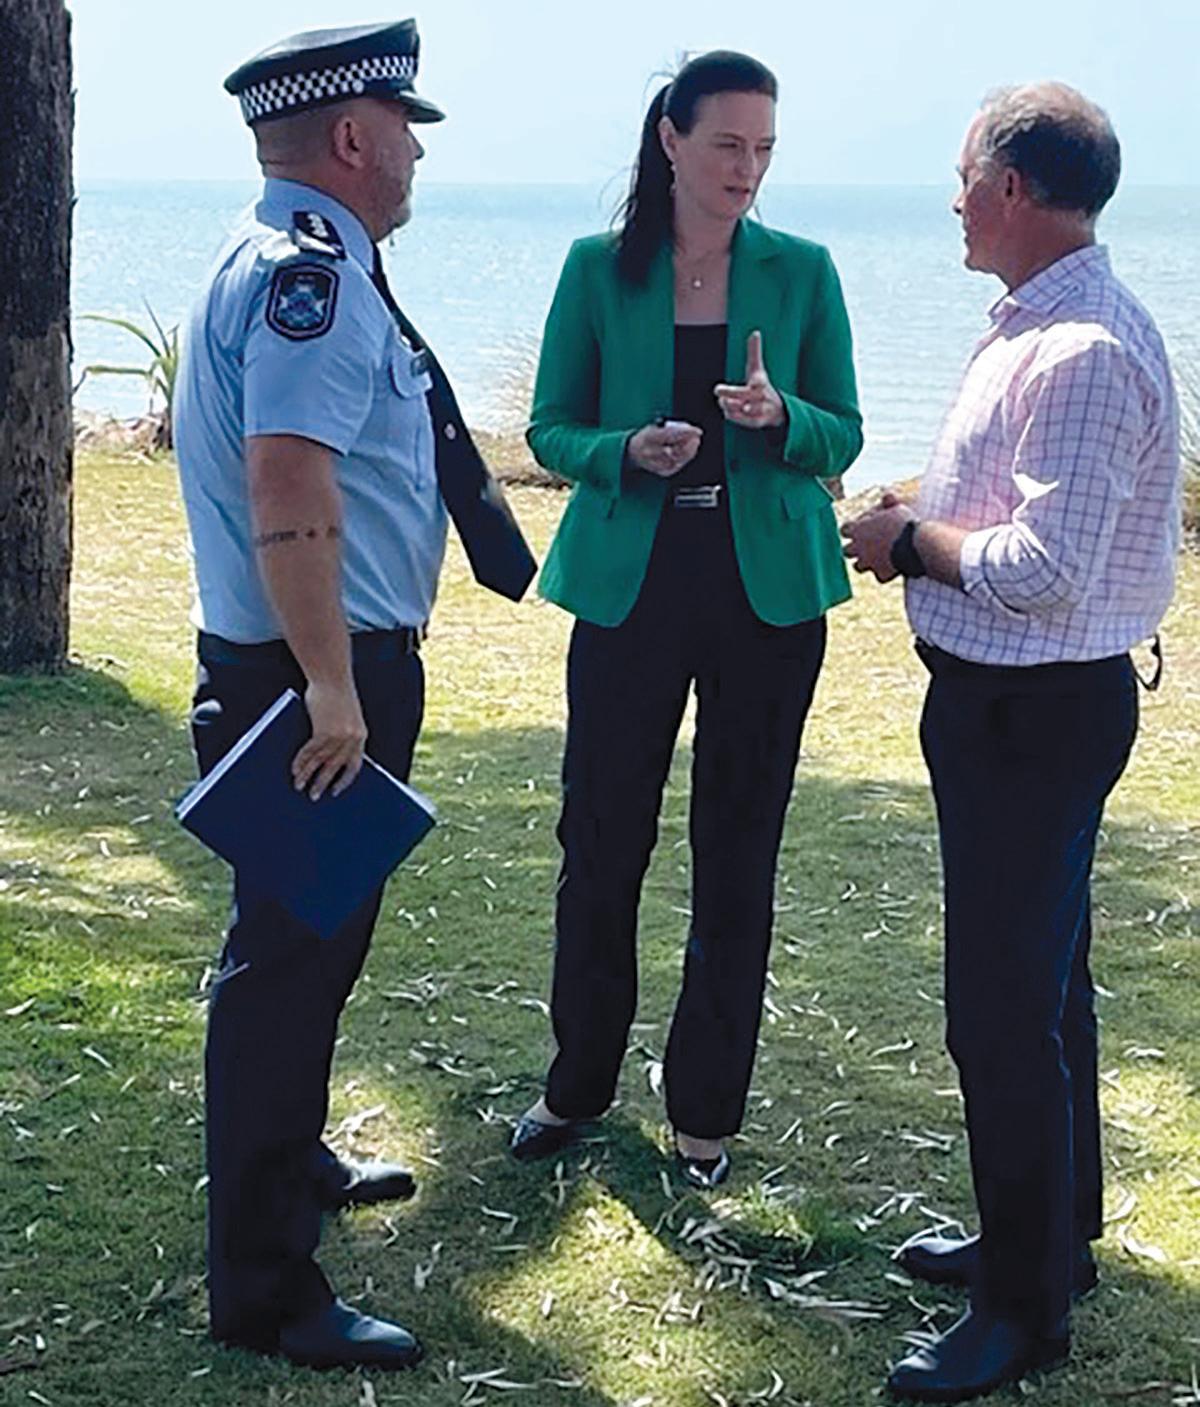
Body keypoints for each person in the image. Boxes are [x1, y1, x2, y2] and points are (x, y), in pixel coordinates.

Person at [172, 20, 535, 1371]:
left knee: (312, 939)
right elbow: (288, 481)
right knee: (284, 968)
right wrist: (333, 683)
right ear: (349, 136)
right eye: (402, 126)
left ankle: (293, 1160)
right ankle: (269, 1290)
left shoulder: (283, 259)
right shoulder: (307, 280)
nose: (416, 152)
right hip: (311, 672)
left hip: (305, 663)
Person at [842, 83, 1181, 1403]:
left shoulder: (1079, 347)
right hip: (1015, 706)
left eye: (966, 176)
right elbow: (1027, 513)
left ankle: (1022, 1310)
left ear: (1017, 188)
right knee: (1044, 989)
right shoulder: (1044, 325)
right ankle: (1051, 1238)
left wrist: (907, 542)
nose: (954, 199)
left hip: (1032, 714)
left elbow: (1043, 569)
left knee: (999, 1010)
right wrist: (925, 509)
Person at [509, 51, 863, 1188]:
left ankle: (706, 1109)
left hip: (767, 595)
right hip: (633, 587)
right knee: (600, 839)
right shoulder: (597, 268)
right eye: (727, 145)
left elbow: (844, 431)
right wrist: (627, 450)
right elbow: (550, 427)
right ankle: (578, 1083)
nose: (747, 169)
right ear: (671, 139)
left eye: (764, 149)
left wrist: (779, 414)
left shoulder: (803, 270)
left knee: (738, 850)